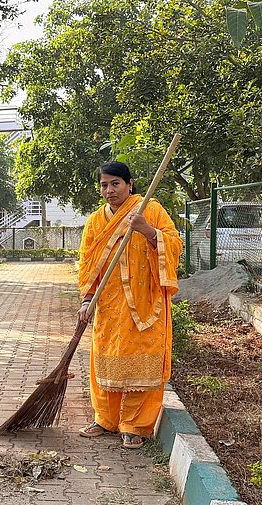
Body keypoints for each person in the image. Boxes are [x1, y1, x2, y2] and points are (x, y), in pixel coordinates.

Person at [77, 161, 183, 449]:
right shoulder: (95, 222)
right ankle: (105, 419)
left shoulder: (150, 210)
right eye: (104, 185)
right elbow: (88, 264)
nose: (109, 190)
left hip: (145, 303)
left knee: (141, 362)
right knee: (107, 360)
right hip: (109, 304)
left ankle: (135, 425)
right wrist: (87, 300)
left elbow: (175, 244)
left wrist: (148, 231)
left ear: (129, 184)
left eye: (115, 184)